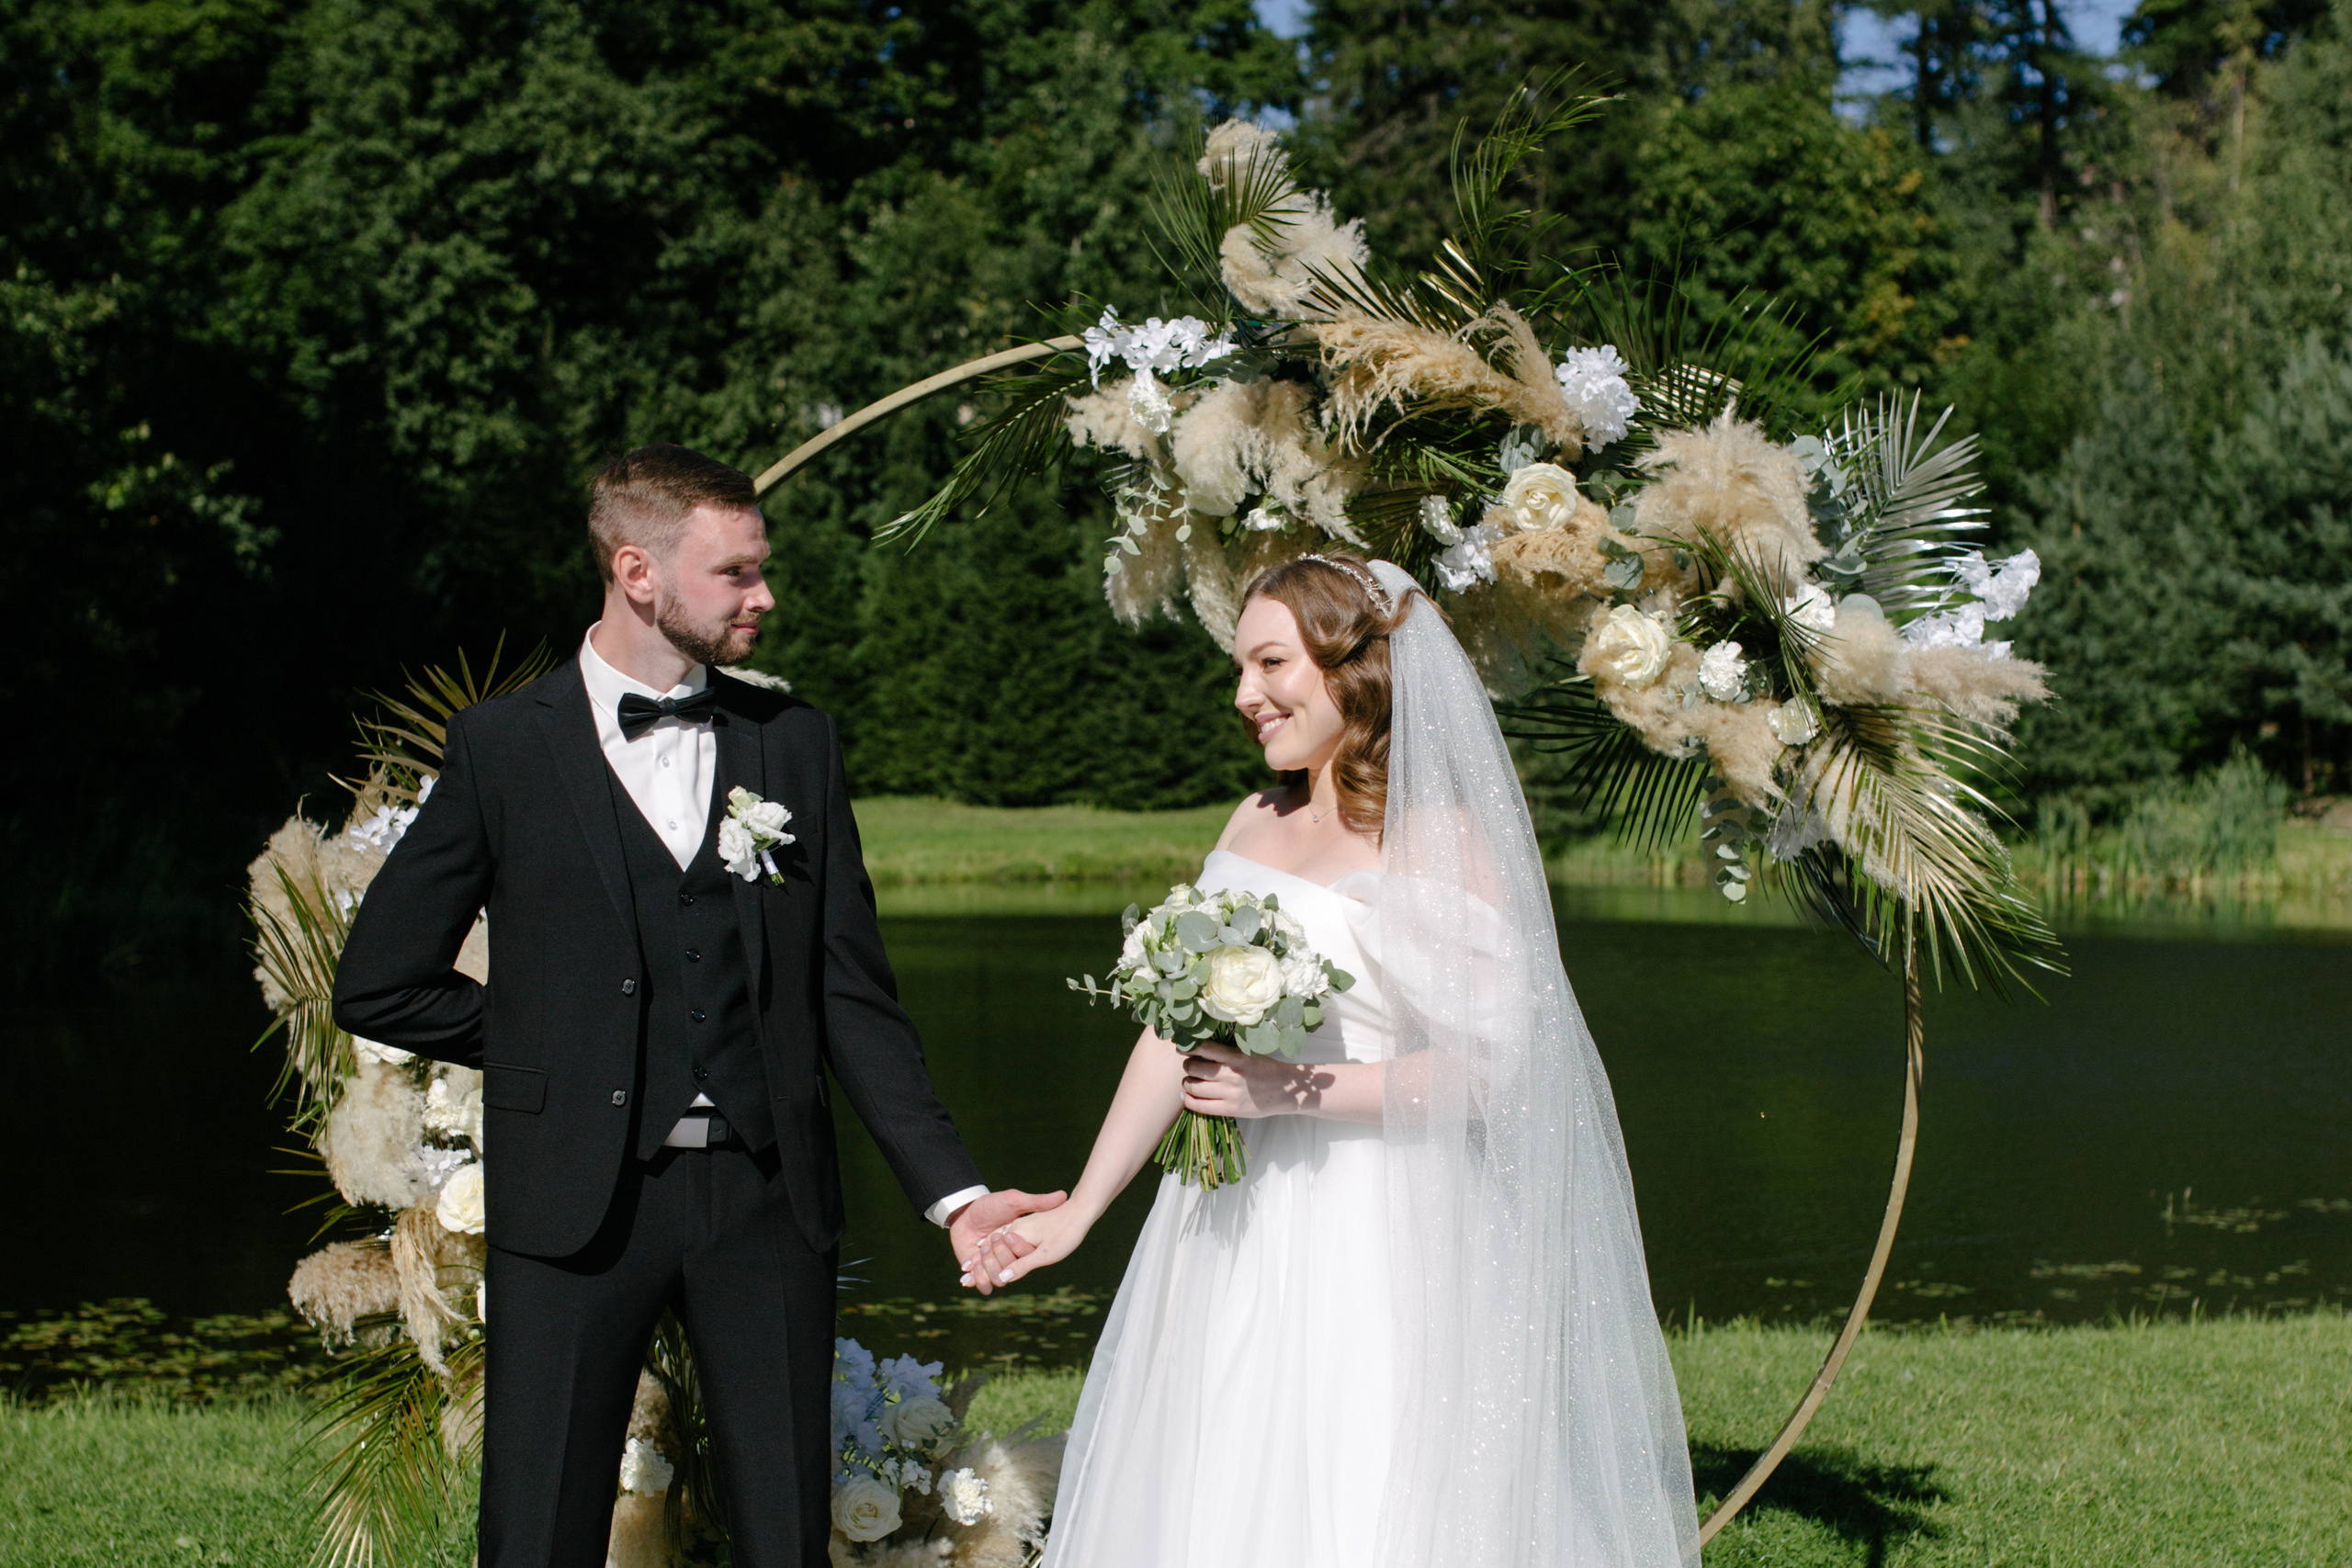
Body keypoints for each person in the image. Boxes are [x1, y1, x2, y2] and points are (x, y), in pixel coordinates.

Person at [332, 445, 1061, 1568]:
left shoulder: (794, 743)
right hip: (575, 1198)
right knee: (534, 1533)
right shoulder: (504, 749)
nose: (764, 596)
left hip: (766, 1201)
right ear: (637, 572)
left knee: (784, 1533)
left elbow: (851, 997)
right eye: (735, 574)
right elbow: (378, 981)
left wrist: (954, 1195)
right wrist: (554, 1046)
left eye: (760, 569)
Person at [971, 553, 1700, 1567]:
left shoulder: (1435, 839)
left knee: (1366, 1467)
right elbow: (1173, 1033)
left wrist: (1290, 1089)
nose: (1243, 696)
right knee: (1216, 1461)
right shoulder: (1252, 823)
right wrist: (1081, 1210)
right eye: (1237, 668)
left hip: (1379, 1224)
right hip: (1222, 1221)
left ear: (1350, 669)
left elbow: (1491, 1074)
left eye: (1270, 663)